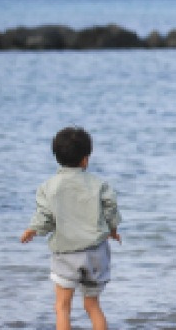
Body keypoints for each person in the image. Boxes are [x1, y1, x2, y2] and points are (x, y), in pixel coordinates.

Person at [20, 126, 122, 330]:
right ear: (85, 159)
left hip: (67, 253)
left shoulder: (49, 187)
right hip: (96, 254)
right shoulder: (99, 184)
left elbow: (45, 217)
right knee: (93, 306)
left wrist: (33, 229)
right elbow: (110, 209)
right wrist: (112, 229)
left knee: (62, 307)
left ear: (56, 157)